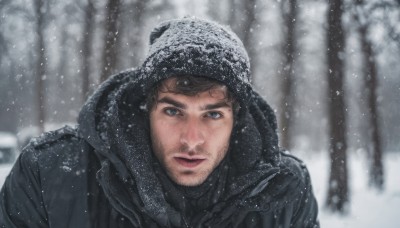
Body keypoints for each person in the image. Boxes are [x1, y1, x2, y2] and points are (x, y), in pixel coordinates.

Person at [0, 17, 319, 227]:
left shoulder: (286, 193)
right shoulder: (50, 175)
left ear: (238, 120)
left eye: (212, 115)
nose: (192, 140)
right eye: (173, 111)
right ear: (145, 108)